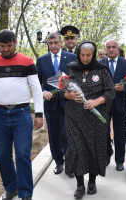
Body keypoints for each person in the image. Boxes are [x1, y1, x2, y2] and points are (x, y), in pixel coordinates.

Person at [0, 29, 43, 200]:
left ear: (15, 43)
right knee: (3, 156)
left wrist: (39, 113)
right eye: (2, 46)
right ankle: (11, 187)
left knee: (22, 155)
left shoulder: (27, 61)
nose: (5, 49)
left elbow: (36, 89)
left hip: (21, 114)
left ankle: (26, 193)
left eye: (9, 45)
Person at [63, 41, 115, 199]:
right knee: (77, 149)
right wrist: (68, 95)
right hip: (74, 117)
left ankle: (92, 182)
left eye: (88, 55)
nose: (85, 58)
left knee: (93, 149)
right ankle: (80, 185)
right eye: (82, 55)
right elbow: (61, 90)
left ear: (93, 56)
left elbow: (111, 91)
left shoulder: (101, 69)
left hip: (95, 117)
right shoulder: (71, 68)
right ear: (78, 53)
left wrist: (97, 101)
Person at [36, 31, 76, 176]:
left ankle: (70, 162)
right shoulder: (41, 60)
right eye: (50, 43)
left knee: (68, 133)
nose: (53, 46)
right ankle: (59, 162)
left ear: (61, 42)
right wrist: (42, 92)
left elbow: (77, 78)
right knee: (54, 135)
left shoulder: (72, 57)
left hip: (69, 102)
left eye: (56, 43)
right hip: (50, 103)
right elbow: (36, 82)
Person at [99, 39, 126, 171]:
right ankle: (105, 156)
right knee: (104, 132)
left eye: (113, 47)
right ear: (105, 49)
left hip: (120, 104)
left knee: (120, 134)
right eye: (108, 47)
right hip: (103, 104)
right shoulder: (100, 63)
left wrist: (124, 87)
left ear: (118, 48)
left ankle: (119, 161)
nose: (110, 49)